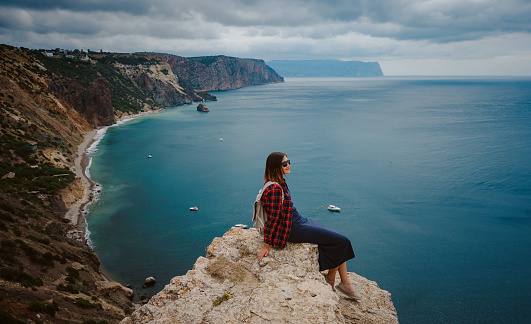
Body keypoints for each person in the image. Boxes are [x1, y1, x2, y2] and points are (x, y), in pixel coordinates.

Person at [257, 152, 360, 299]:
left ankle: (345, 283)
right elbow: (273, 219)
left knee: (338, 239)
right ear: (275, 167)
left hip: (298, 220)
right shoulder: (274, 189)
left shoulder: (279, 182)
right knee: (342, 241)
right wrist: (265, 246)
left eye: (288, 161)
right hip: (293, 229)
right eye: (284, 163)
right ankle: (332, 279)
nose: (288, 165)